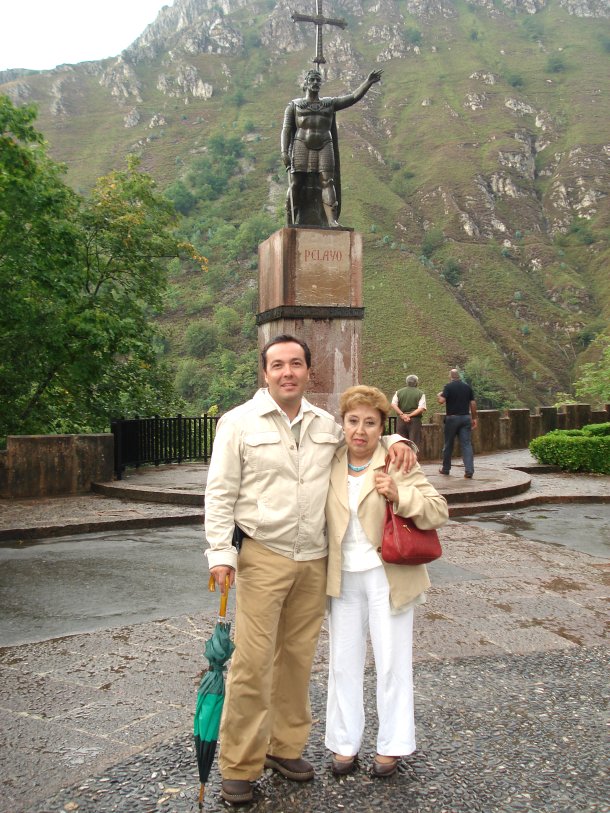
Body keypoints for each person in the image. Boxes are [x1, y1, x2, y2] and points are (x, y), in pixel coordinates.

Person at [204, 334, 416, 805]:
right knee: (252, 663)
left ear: (307, 371)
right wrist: (221, 553)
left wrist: (399, 437)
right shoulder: (237, 423)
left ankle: (285, 747)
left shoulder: (325, 425)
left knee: (298, 661)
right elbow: (219, 493)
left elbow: (365, 437)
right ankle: (239, 764)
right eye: (277, 364)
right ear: (265, 372)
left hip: (316, 558)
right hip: (263, 555)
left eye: (296, 364)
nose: (287, 372)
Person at [325, 385, 448, 777]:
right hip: (342, 577)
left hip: (387, 577)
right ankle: (344, 743)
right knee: (343, 664)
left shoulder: (397, 462)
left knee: (392, 663)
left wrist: (400, 495)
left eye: (371, 423)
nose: (360, 431)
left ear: (381, 428)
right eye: (353, 421)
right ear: (342, 424)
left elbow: (437, 512)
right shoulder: (329, 460)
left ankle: (392, 745)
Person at [281, 68, 383, 227]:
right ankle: (289, 219)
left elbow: (353, 97)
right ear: (306, 82)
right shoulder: (295, 105)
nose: (315, 83)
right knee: (296, 182)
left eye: (318, 80)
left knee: (327, 181)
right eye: (312, 80)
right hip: (301, 144)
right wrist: (284, 152)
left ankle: (332, 220)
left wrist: (368, 82)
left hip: (324, 144)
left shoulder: (329, 103)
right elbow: (286, 129)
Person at [437, 368, 478, 478]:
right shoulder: (467, 387)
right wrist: (474, 418)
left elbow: (441, 401)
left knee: (448, 444)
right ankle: (469, 471)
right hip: (465, 418)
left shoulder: (448, 387)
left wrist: (439, 395)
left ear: (450, 376)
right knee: (466, 445)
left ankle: (446, 469)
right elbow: (473, 403)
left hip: (452, 419)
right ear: (458, 376)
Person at [391, 374, 426, 448]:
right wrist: (409, 415)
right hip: (415, 420)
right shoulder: (420, 393)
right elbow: (421, 408)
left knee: (401, 441)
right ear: (416, 382)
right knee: (414, 443)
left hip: (401, 419)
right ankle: (413, 459)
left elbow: (393, 404)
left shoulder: (399, 392)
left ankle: (402, 459)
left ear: (407, 382)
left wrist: (402, 415)